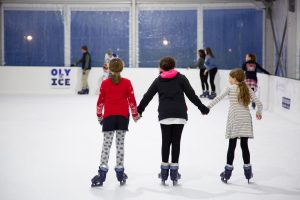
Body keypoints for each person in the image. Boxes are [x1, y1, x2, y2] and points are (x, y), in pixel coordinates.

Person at [137, 56, 209, 185]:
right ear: (173, 66)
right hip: (180, 114)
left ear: (161, 67)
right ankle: (174, 172)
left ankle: (164, 172)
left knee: (166, 141)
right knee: (176, 142)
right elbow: (191, 95)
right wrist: (202, 108)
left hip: (165, 115)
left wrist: (139, 110)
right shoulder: (181, 78)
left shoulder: (158, 80)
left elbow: (147, 96)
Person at [207, 68, 263, 184]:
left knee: (232, 146)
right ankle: (248, 172)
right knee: (244, 146)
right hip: (246, 119)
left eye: (230, 77)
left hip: (235, 119)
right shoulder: (246, 88)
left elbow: (217, 98)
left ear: (234, 78)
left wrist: (207, 108)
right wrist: (258, 112)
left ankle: (227, 173)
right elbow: (259, 103)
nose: (228, 79)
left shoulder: (230, 88)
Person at [91, 58, 139, 187]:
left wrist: (99, 116)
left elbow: (100, 102)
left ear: (110, 69)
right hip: (123, 118)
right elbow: (132, 101)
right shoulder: (127, 82)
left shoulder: (105, 83)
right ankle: (120, 171)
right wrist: (135, 115)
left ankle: (102, 172)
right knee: (120, 145)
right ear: (121, 68)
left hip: (109, 118)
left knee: (106, 145)